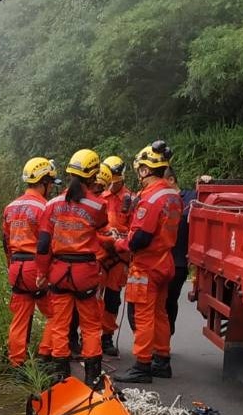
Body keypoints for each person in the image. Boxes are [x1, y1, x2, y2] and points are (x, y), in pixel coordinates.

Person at [35, 149, 108, 387]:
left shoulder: (52, 205)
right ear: (93, 176)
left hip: (59, 272)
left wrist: (41, 273)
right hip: (84, 273)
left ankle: (61, 377)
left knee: (59, 324)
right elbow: (101, 225)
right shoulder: (98, 205)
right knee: (90, 325)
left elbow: (44, 244)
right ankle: (93, 378)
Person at [113, 141, 183, 385]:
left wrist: (119, 244)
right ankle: (161, 361)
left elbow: (140, 238)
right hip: (166, 262)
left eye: (139, 171)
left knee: (143, 316)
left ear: (145, 170)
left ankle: (142, 364)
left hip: (147, 266)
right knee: (160, 313)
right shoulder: (172, 196)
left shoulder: (151, 199)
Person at [2, 157, 58, 370]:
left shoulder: (10, 207)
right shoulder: (45, 207)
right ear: (43, 182)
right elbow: (48, 243)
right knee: (55, 313)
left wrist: (11, 266)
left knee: (19, 318)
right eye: (50, 183)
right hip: (36, 267)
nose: (51, 188)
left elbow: (5, 241)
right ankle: (45, 354)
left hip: (16, 267)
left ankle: (17, 363)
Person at [98, 155, 133, 356]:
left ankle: (107, 337)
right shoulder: (100, 197)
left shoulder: (130, 200)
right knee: (93, 299)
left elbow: (135, 229)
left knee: (112, 300)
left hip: (119, 257)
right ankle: (89, 335)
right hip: (101, 255)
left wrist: (120, 238)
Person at [166, 172, 198, 334]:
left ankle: (166, 337)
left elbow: (209, 197)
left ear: (171, 180)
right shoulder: (159, 200)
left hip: (179, 260)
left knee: (170, 299)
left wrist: (206, 182)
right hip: (160, 259)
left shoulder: (190, 197)